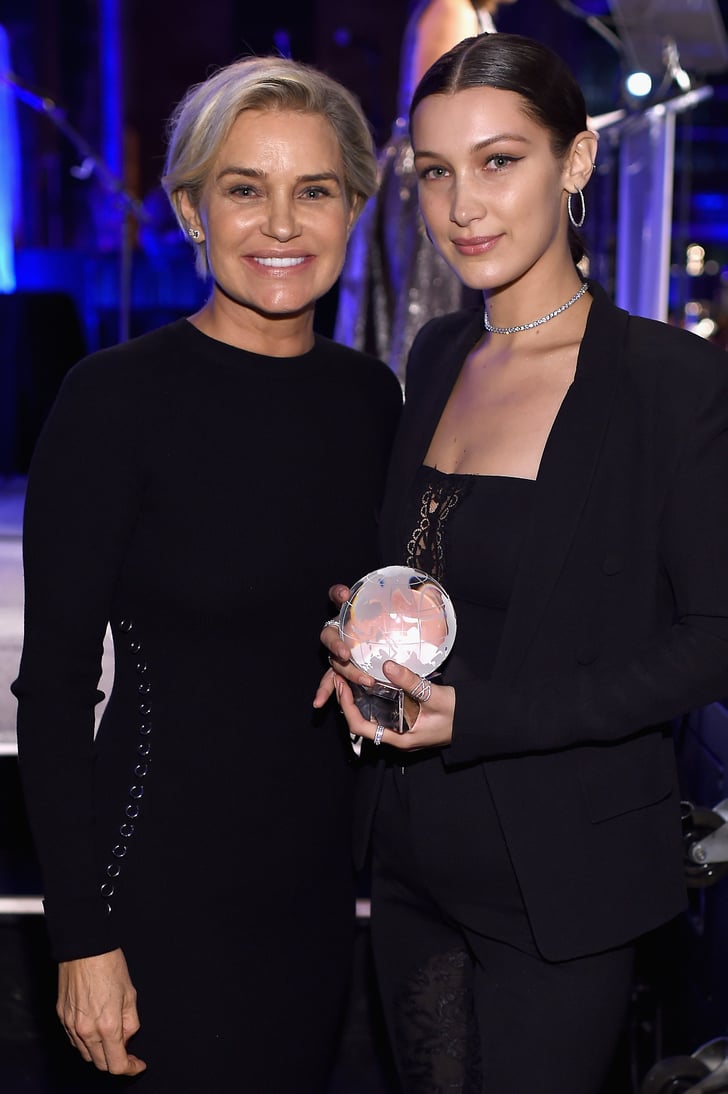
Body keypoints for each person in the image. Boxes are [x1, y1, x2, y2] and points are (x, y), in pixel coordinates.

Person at [317, 32, 728, 1094]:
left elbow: (710, 642)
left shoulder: (664, 382)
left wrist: (484, 715)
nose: (462, 206)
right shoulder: (437, 354)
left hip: (560, 875)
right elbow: (429, 571)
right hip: (409, 855)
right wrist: (363, 631)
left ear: (576, 162)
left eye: (499, 162)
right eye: (437, 171)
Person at [12, 56, 402, 1092]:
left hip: (316, 895)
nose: (280, 223)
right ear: (190, 209)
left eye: (312, 190)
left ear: (354, 204)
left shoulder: (374, 401)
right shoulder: (113, 401)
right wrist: (80, 938)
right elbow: (52, 691)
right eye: (244, 188)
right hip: (152, 893)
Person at [334, 0, 518, 383]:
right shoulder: (451, 8)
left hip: (447, 172)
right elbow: (440, 110)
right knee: (428, 310)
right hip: (432, 178)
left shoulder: (466, 11)